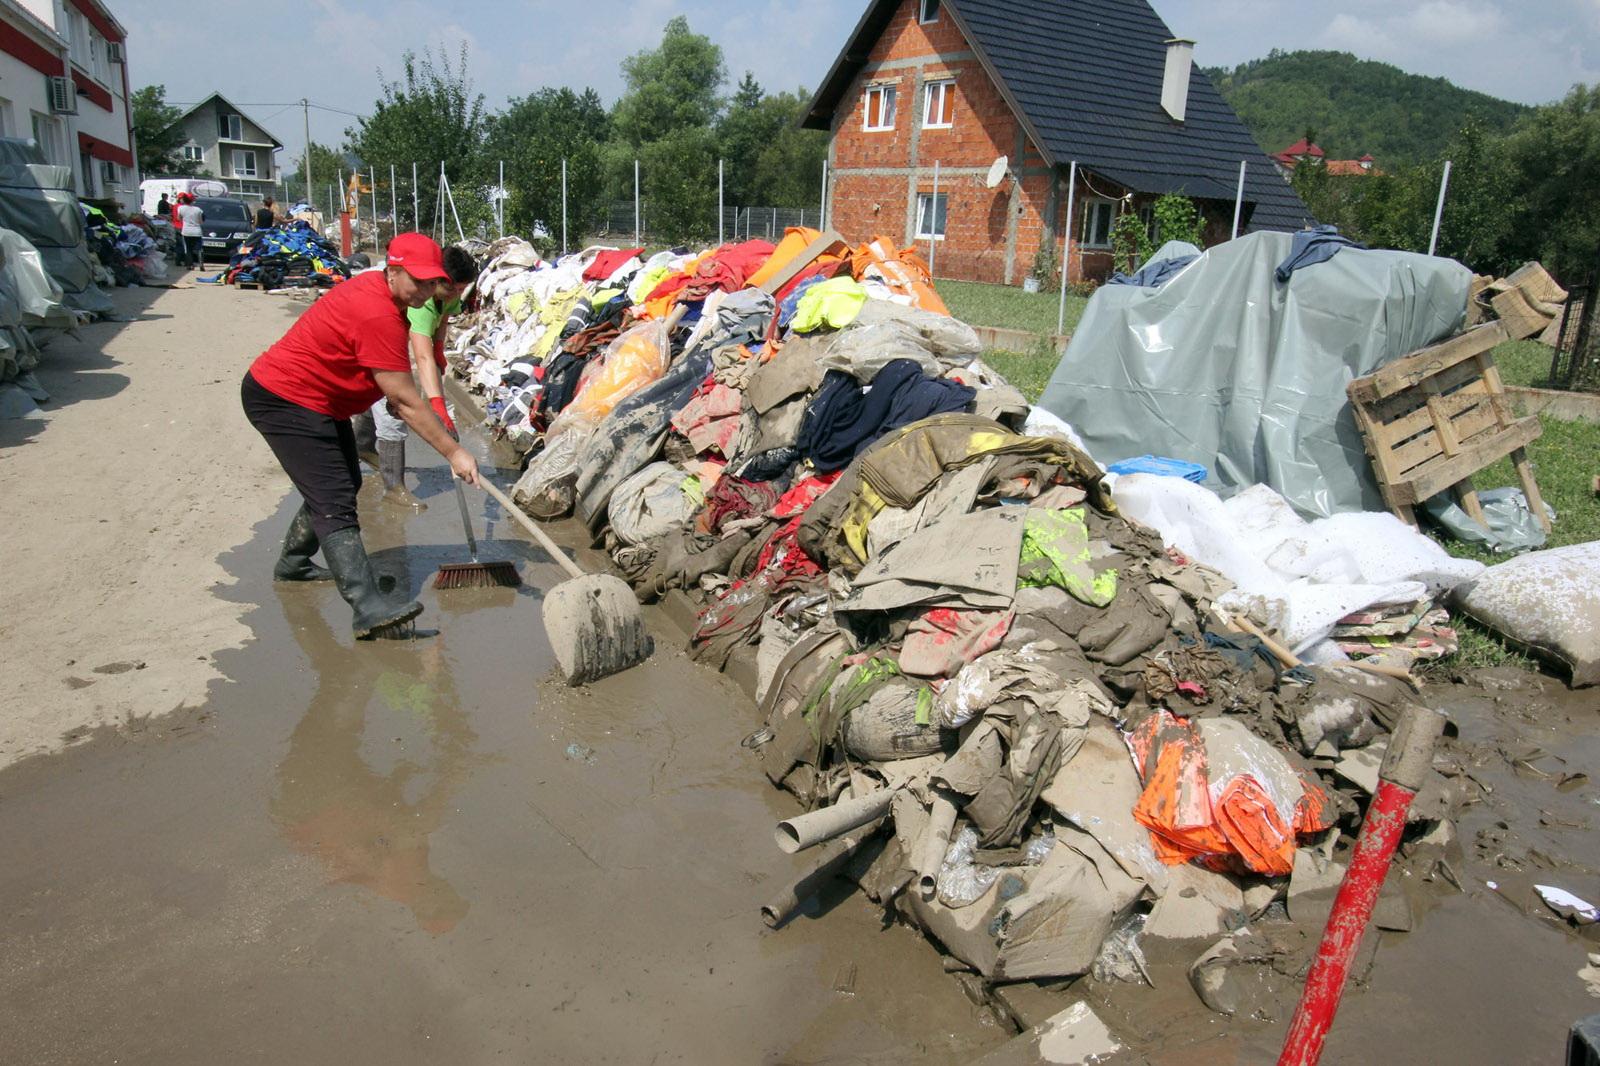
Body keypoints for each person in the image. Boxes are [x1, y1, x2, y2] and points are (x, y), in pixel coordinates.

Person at [240, 232, 480, 639]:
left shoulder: (389, 296)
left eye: (430, 281)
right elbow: (406, 400)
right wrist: (454, 452)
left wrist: (381, 392)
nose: (425, 290)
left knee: (345, 481)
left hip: (316, 400)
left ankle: (293, 563)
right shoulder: (376, 310)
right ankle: (366, 606)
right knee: (333, 497)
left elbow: (373, 367)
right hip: (285, 398)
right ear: (393, 270)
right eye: (417, 281)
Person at [364, 245, 477, 509]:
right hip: (381, 333)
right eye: (454, 288)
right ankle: (395, 486)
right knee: (392, 406)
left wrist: (440, 346)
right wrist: (437, 405)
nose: (457, 295)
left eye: (462, 290)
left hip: (397, 331)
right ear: (436, 280)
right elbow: (421, 355)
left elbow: (445, 316)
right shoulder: (420, 301)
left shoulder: (447, 292)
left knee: (378, 394)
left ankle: (362, 443)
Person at [176, 193, 204, 270]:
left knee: (188, 249)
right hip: (197, 231)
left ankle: (190, 265)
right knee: (199, 248)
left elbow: (179, 218)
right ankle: (201, 262)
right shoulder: (198, 209)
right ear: (192, 201)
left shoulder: (181, 208)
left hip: (186, 231)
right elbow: (201, 221)